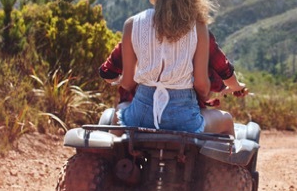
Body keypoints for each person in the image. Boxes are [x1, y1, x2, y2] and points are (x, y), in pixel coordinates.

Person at [117, 0, 214, 134]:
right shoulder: (198, 27)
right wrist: (207, 94)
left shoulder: (132, 24)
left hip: (141, 116)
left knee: (115, 116)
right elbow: (201, 85)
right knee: (226, 121)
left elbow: (128, 83)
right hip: (183, 118)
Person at [99, 33, 248, 132]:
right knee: (226, 120)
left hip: (138, 117)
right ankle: (222, 173)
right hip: (185, 121)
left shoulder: (139, 29)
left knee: (117, 116)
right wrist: (236, 87)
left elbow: (107, 73)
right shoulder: (200, 36)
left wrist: (123, 80)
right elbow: (221, 76)